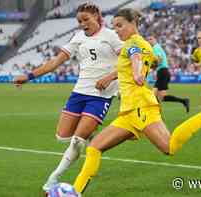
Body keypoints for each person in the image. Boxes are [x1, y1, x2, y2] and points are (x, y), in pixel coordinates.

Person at [72, 8, 201, 194]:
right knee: (94, 147)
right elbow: (149, 60)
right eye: (114, 26)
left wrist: (136, 72)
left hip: (141, 107)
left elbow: (135, 56)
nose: (117, 30)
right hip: (128, 111)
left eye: (120, 25)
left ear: (133, 22)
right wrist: (114, 77)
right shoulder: (141, 44)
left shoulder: (133, 43)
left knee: (169, 147)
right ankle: (75, 192)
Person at [13, 2, 123, 192]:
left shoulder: (111, 36)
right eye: (79, 21)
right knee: (62, 136)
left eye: (86, 19)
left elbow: (126, 62)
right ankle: (89, 136)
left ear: (97, 16)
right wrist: (29, 76)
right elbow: (55, 62)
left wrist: (110, 78)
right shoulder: (78, 38)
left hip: (101, 96)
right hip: (79, 92)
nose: (82, 24)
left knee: (76, 141)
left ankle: (52, 179)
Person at [148, 36, 190, 113]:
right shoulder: (157, 48)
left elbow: (159, 60)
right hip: (163, 72)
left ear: (155, 40)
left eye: (151, 39)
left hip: (162, 72)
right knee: (162, 97)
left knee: (153, 94)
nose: (149, 41)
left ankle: (157, 115)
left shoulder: (156, 48)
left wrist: (151, 66)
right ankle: (184, 101)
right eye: (148, 40)